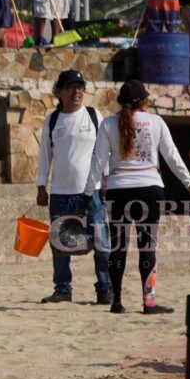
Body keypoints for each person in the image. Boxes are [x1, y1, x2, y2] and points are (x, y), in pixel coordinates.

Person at [84, 80, 190, 314]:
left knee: (118, 247)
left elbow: (98, 162)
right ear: (144, 100)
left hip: (118, 191)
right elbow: (172, 156)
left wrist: (87, 192)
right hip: (150, 190)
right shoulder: (156, 122)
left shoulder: (108, 124)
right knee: (147, 248)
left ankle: (117, 302)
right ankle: (149, 302)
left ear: (120, 101)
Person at [35, 70, 112, 305]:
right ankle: (62, 289)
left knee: (101, 241)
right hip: (60, 193)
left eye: (80, 87)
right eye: (70, 87)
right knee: (59, 244)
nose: (76, 91)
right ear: (59, 91)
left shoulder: (94, 115)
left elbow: (104, 152)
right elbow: (45, 155)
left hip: (92, 192)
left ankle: (105, 289)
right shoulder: (52, 120)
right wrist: (41, 186)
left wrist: (107, 180)